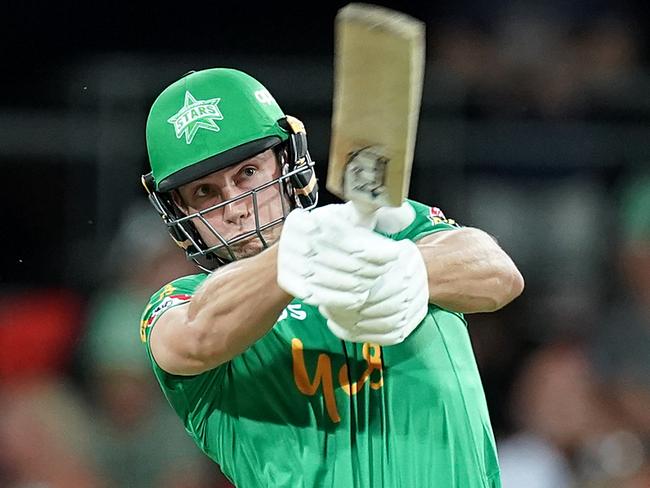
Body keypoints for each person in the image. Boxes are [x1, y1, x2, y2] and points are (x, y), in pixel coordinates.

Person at [140, 67, 524, 488]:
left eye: (247, 173)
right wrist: (301, 250)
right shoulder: (184, 300)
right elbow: (193, 336)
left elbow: (499, 273)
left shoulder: (386, 233)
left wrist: (406, 267)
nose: (235, 206)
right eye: (205, 193)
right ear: (180, 215)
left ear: (287, 161)